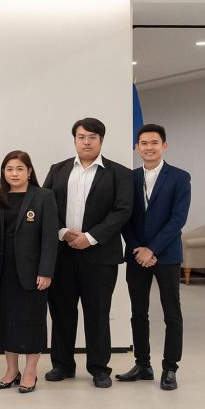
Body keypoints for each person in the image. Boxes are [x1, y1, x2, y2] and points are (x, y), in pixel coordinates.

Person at [42, 117, 133, 388]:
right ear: (75, 140)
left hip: (100, 256)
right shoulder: (58, 170)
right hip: (62, 253)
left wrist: (90, 238)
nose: (86, 142)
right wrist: (62, 232)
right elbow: (45, 206)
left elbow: (122, 210)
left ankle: (99, 368)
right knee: (61, 312)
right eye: (81, 137)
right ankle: (62, 365)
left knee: (97, 312)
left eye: (92, 137)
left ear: (101, 140)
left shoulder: (119, 173)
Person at [118, 124, 191, 391]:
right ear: (137, 147)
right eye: (144, 143)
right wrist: (139, 249)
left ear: (164, 146)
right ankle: (143, 365)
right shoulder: (129, 178)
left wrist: (153, 249)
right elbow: (124, 216)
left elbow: (177, 219)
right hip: (137, 255)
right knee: (138, 312)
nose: (149, 147)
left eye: (154, 143)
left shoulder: (180, 177)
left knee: (172, 312)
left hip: (167, 255)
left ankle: (170, 368)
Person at [0, 151, 58, 394]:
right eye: (9, 169)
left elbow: (50, 237)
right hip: (2, 272)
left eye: (19, 169)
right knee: (6, 321)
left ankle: (30, 372)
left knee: (32, 322)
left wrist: (46, 271)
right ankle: (11, 370)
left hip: (33, 272)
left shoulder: (43, 196)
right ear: (3, 173)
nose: (14, 174)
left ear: (29, 172)